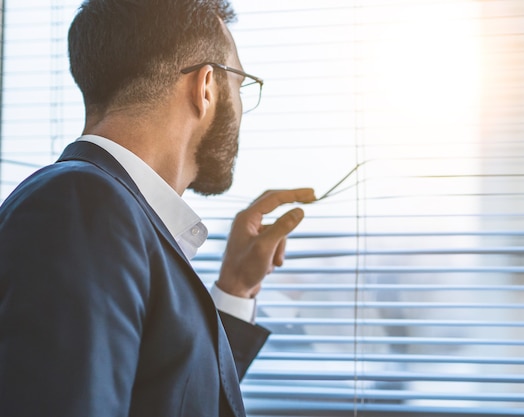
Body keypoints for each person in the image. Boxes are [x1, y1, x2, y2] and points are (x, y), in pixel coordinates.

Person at [0, 0, 315, 416]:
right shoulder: (83, 207)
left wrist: (235, 289)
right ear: (205, 87)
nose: (240, 109)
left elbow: (169, 397)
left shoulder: (106, 210)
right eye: (240, 85)